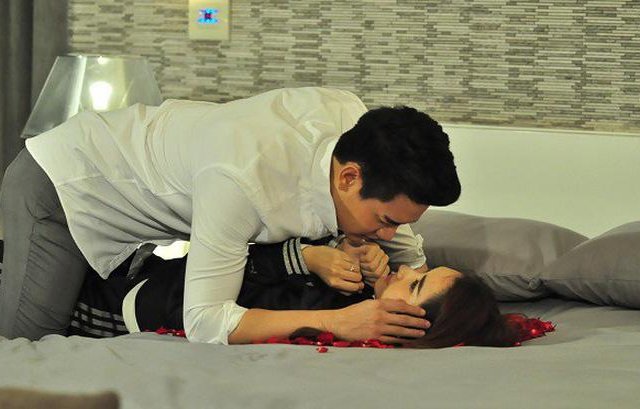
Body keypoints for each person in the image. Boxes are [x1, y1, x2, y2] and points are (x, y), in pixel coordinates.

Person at [0, 87, 461, 344]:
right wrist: (340, 321)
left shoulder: (352, 119)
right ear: (348, 178)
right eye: (386, 221)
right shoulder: (241, 180)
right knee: (27, 347)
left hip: (133, 195)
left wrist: (419, 277)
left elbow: (405, 249)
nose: (389, 236)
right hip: (64, 182)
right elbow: (204, 321)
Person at [70, 237, 518, 348]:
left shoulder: (326, 321)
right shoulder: (353, 291)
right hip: (128, 265)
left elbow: (215, 282)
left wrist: (303, 257)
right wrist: (334, 252)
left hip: (104, 300)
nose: (404, 269)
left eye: (415, 284)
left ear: (410, 324)